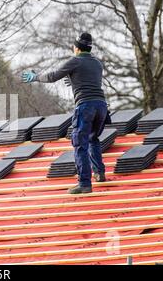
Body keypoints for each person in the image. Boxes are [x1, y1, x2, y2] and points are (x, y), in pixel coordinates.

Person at [21, 32, 108, 194]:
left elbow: (53, 76)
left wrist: (35, 77)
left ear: (76, 48)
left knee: (80, 143)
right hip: (101, 106)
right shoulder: (97, 63)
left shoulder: (75, 60)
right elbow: (89, 79)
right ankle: (99, 173)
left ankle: (84, 183)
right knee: (92, 138)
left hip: (86, 105)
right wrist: (75, 79)